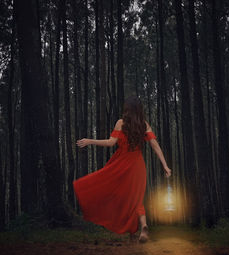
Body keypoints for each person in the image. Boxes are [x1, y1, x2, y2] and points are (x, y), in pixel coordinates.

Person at [73, 96, 171, 243]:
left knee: (114, 192)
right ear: (139, 110)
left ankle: (133, 228)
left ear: (127, 109)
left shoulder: (121, 123)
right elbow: (155, 145)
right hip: (138, 167)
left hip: (121, 166)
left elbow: (111, 143)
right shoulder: (144, 125)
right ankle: (142, 226)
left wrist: (90, 141)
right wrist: (165, 165)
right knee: (137, 198)